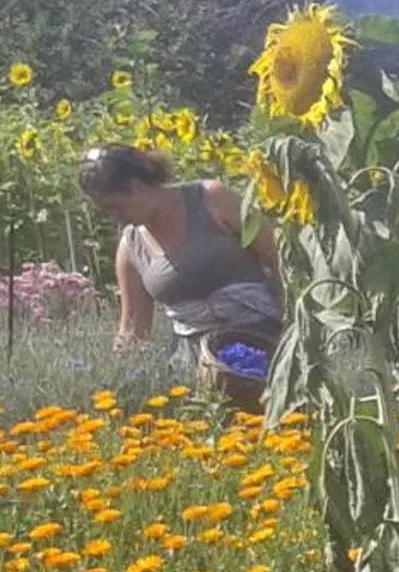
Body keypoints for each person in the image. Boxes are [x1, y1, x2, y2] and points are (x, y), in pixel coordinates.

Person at [80, 145, 284, 402]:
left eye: (117, 207)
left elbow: (278, 257)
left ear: (137, 186)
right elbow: (133, 328)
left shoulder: (212, 199)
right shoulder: (130, 248)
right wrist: (114, 386)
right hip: (197, 365)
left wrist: (294, 325)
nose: (115, 218)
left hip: (262, 344)